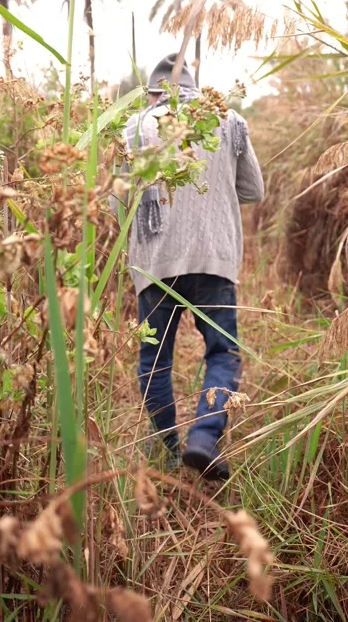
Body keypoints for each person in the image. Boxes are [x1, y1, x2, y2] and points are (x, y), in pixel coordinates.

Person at [117, 53, 264, 482]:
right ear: (196, 89)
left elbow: (116, 201)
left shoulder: (135, 128)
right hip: (214, 260)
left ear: (154, 92)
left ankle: (165, 451)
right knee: (223, 353)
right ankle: (204, 436)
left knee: (154, 360)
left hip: (154, 264)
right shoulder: (229, 120)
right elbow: (254, 190)